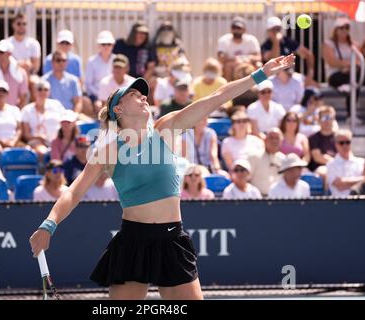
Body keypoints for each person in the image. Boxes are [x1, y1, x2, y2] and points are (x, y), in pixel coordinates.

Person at [29, 54, 295, 299]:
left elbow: (216, 97)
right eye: (134, 94)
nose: (144, 96)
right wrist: (48, 225)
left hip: (171, 240)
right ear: (118, 110)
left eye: (144, 93)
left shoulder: (165, 129)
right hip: (133, 242)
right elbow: (75, 190)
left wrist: (261, 74)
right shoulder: (109, 150)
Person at [322, 16, 364, 124]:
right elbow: (332, 62)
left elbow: (360, 60)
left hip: (352, 76)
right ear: (336, 29)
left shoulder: (353, 44)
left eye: (347, 28)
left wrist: (349, 67)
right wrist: (348, 66)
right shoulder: (328, 43)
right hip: (335, 76)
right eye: (341, 28)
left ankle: (352, 114)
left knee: (354, 82)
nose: (344, 30)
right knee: (354, 82)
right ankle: (351, 115)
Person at [262, 16, 317, 86]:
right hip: (273, 78)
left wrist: (310, 75)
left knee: (314, 88)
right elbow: (273, 59)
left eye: (278, 29)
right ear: (268, 31)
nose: (276, 32)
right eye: (273, 30)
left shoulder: (288, 41)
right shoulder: (265, 45)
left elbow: (308, 55)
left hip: (290, 76)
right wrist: (276, 42)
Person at [21, 79, 64, 160]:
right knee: (43, 153)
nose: (43, 92)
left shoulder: (56, 105)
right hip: (37, 142)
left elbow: (65, 122)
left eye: (46, 89)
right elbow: (26, 135)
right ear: (34, 91)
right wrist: (38, 137)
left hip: (57, 141)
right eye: (40, 89)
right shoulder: (27, 109)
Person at [0, 39, 29, 107]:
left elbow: (23, 98)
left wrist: (14, 113)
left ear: (9, 53)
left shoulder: (21, 73)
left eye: (1, 52)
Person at [218, 16, 261, 81]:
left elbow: (258, 57)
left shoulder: (251, 40)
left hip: (248, 65)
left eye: (239, 28)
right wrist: (235, 60)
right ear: (231, 29)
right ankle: (229, 88)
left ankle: (259, 89)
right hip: (232, 67)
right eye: (234, 27)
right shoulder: (224, 40)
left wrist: (246, 58)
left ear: (244, 29)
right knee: (227, 66)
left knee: (259, 65)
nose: (236, 30)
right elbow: (221, 59)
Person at [84, 31, 116, 116]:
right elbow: (88, 85)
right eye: (103, 44)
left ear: (112, 46)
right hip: (97, 97)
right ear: (99, 46)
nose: (106, 46)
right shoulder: (92, 61)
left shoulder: (116, 60)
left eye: (108, 44)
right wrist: (99, 97)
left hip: (115, 96)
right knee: (100, 107)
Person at [326, 129, 364, 197]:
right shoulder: (330, 164)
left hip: (360, 205)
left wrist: (345, 182)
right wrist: (362, 179)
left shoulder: (362, 162)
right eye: (341, 143)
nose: (345, 145)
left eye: (348, 142)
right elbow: (340, 185)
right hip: (338, 205)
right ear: (335, 144)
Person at [248, 128, 285, 196]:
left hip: (278, 199)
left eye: (277, 138)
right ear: (265, 140)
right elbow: (246, 179)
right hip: (258, 200)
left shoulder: (283, 159)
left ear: (281, 142)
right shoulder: (254, 157)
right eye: (271, 138)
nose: (274, 141)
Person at [308, 105, 337, 174]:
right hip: (320, 170)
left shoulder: (339, 137)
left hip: (339, 167)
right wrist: (336, 163)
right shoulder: (313, 138)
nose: (327, 121)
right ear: (319, 120)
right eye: (324, 118)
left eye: (329, 118)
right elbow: (318, 158)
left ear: (333, 119)